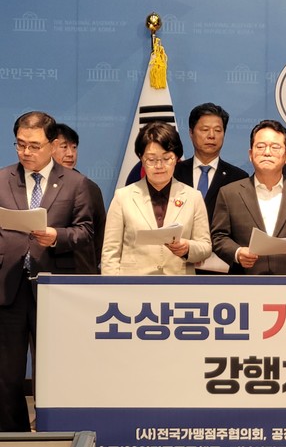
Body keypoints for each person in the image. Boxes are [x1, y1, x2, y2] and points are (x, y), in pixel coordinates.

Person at [0, 111, 95, 431]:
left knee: (54, 370)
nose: (26, 152)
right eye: (20, 144)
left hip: (54, 289)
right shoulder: (2, 179)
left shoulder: (76, 183)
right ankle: (13, 435)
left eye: (34, 146)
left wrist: (57, 236)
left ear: (53, 145)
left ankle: (53, 431)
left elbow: (85, 232)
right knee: (7, 375)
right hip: (9, 287)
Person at [211, 120, 286, 275]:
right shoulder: (230, 193)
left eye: (275, 147)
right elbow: (218, 237)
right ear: (250, 154)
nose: (267, 152)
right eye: (260, 146)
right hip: (244, 282)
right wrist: (237, 252)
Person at [102, 122, 211, 275]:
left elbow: (205, 247)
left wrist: (187, 248)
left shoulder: (193, 197)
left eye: (166, 158)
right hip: (133, 285)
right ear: (141, 159)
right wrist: (114, 286)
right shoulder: (123, 197)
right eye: (151, 159)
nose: (159, 165)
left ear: (176, 158)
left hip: (178, 283)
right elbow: (110, 252)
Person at [174, 103, 248, 222]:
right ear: (191, 133)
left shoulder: (238, 179)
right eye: (205, 130)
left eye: (218, 130)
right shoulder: (174, 173)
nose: (211, 135)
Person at [52, 123, 107, 273]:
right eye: (64, 147)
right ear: (49, 148)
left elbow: (100, 234)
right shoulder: (38, 185)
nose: (70, 154)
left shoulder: (89, 187)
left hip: (81, 269)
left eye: (74, 147)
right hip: (47, 268)